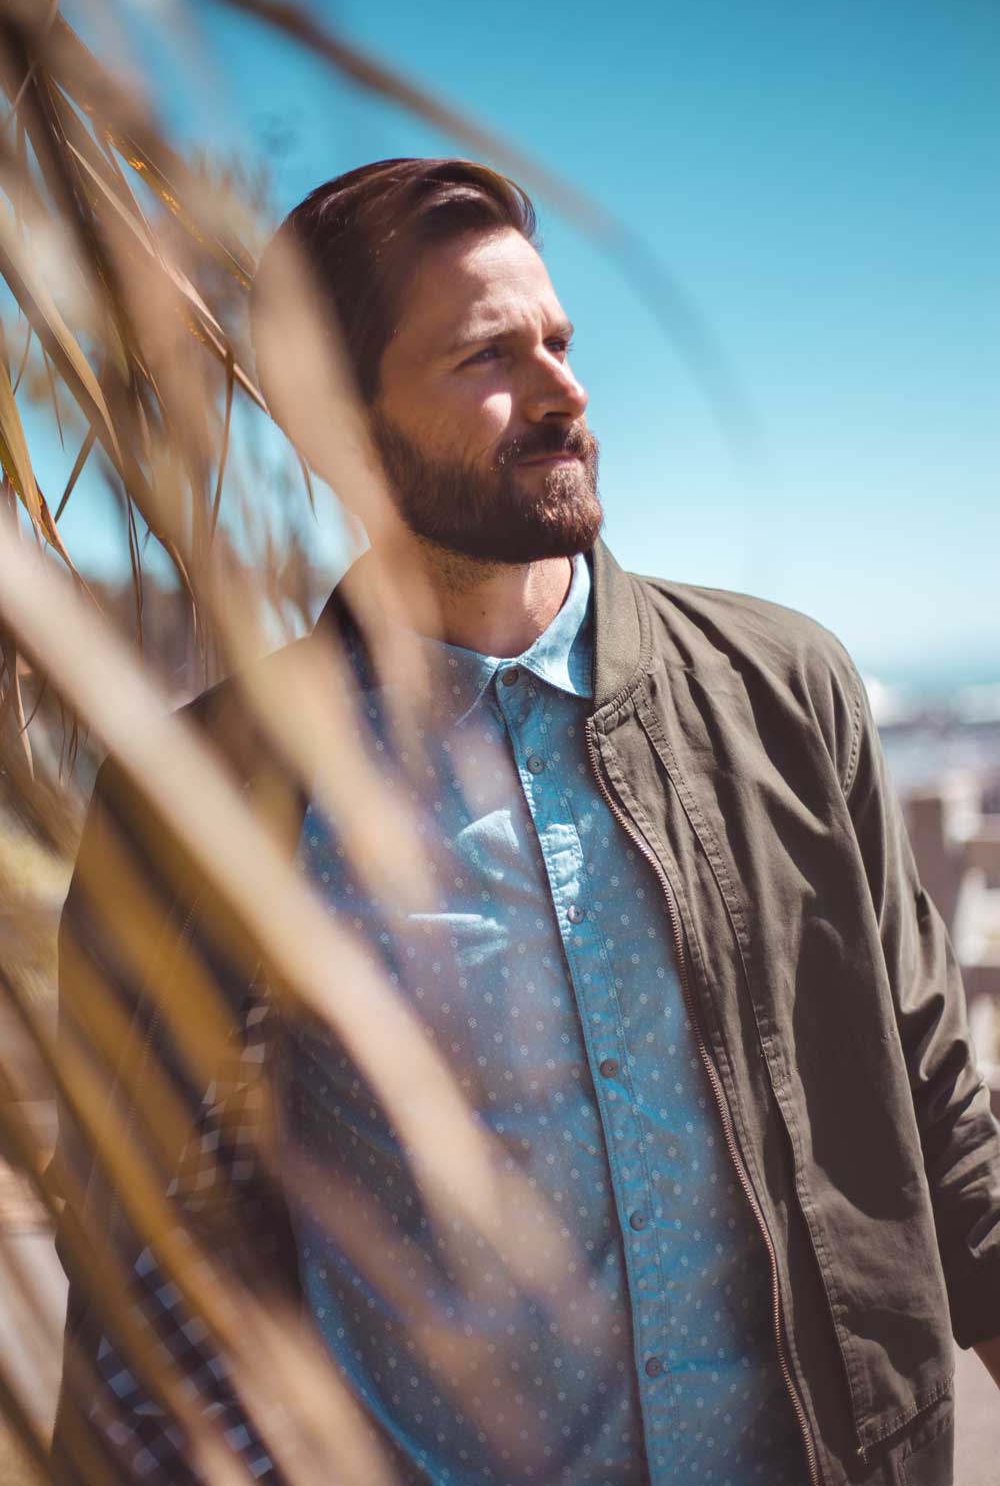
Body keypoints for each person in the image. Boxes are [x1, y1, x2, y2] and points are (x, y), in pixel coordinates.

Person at [51, 158, 1000, 1486]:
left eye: (559, 338)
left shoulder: (787, 693)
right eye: (489, 355)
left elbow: (940, 1105)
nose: (567, 392)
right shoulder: (202, 797)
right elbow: (134, 1279)